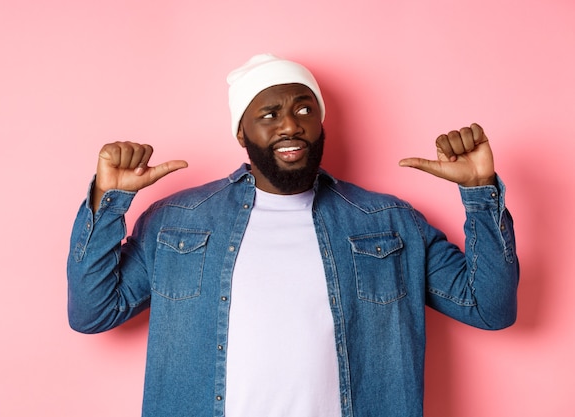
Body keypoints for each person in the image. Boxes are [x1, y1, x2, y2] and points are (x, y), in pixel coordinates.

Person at [67, 53, 519, 417]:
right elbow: (92, 311)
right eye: (269, 113)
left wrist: (479, 191)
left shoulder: (388, 222)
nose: (290, 124)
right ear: (242, 133)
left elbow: (491, 308)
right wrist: (110, 200)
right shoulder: (177, 221)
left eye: (305, 109)